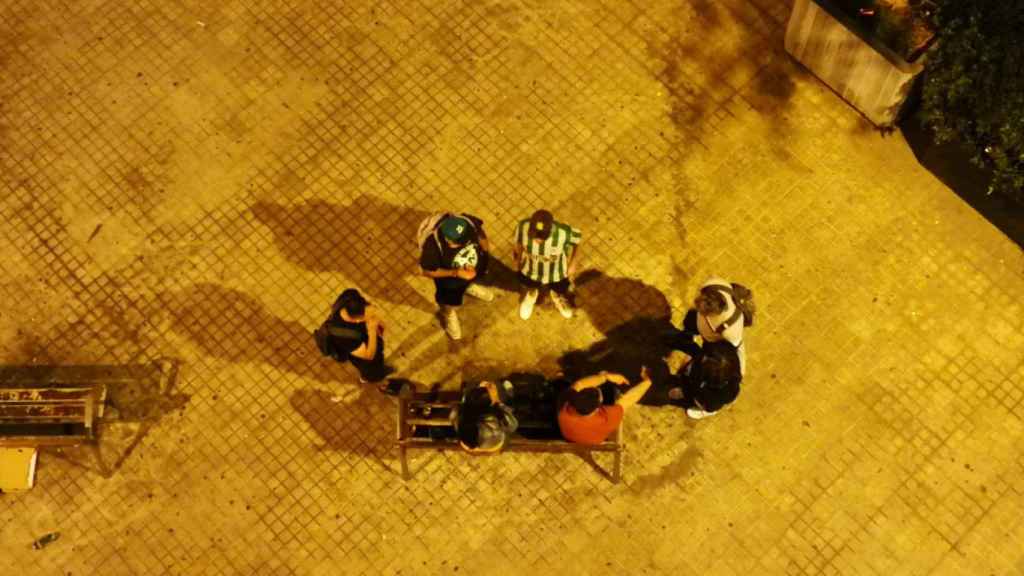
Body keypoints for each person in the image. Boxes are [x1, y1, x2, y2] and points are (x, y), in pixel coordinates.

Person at [419, 213, 493, 340]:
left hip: (470, 273)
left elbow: (481, 234)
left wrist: (485, 251)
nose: (449, 242)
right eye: (448, 239)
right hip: (449, 283)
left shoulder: (468, 223)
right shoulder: (432, 246)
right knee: (448, 300)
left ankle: (468, 286)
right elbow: (426, 271)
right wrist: (456, 273)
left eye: (455, 241)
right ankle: (448, 314)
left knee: (467, 281)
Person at [668, 277, 748, 374]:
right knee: (688, 325)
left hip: (711, 342)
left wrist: (739, 369)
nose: (700, 313)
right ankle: (687, 337)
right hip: (698, 325)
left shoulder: (730, 330)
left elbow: (736, 347)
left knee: (702, 358)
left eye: (703, 313)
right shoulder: (714, 284)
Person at [514, 209, 582, 320]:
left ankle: (557, 297)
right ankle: (531, 295)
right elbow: (518, 243)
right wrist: (517, 260)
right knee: (530, 285)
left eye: (541, 236)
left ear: (551, 229)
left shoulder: (563, 232)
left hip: (557, 272)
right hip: (530, 269)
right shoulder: (522, 226)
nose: (537, 240)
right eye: (535, 234)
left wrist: (573, 263)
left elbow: (577, 240)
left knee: (560, 287)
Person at [557, 367, 652, 445]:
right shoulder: (609, 418)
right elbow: (628, 400)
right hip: (594, 440)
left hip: (568, 434)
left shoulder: (564, 405)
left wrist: (605, 377)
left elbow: (579, 384)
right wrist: (647, 382)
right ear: (597, 409)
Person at [322, 289, 391, 393]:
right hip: (364, 358)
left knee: (378, 359)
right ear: (357, 320)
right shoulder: (343, 335)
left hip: (366, 340)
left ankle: (368, 376)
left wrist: (375, 320)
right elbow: (368, 356)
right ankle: (374, 380)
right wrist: (372, 330)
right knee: (372, 370)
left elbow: (367, 308)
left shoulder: (350, 297)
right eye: (364, 318)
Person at [667, 340, 742, 419]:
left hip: (710, 401)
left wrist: (685, 391)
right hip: (725, 390)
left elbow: (695, 388)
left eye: (706, 359)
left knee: (702, 401)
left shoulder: (711, 394)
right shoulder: (728, 354)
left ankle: (705, 410)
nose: (704, 358)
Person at [452, 380, 518, 453]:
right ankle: (510, 393)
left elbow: (454, 416)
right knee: (510, 407)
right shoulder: (494, 416)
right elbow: (513, 426)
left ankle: (466, 396)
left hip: (470, 446)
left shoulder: (464, 418)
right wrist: (497, 401)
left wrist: (480, 391)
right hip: (496, 444)